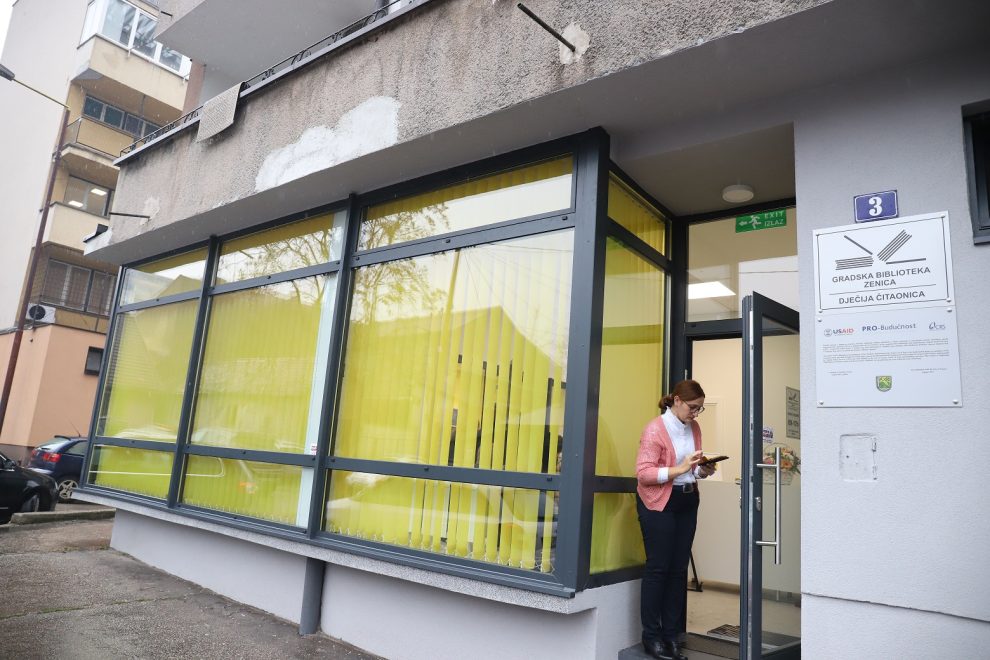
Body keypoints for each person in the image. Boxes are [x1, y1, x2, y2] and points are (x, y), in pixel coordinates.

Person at [635, 379, 716, 660]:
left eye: (700, 408)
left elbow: (692, 471)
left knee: (678, 570)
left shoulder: (694, 428)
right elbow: (643, 473)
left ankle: (671, 635)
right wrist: (679, 468)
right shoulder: (655, 429)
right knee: (658, 568)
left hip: (687, 500)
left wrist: (703, 470)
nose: (696, 413)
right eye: (693, 407)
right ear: (677, 400)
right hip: (659, 502)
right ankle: (651, 637)